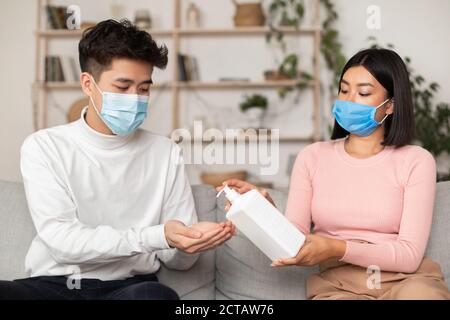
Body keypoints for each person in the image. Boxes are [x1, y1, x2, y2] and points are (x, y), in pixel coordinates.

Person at [0, 19, 235, 300]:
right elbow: (63, 242)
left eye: (144, 88)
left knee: (156, 297)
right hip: (53, 287)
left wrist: (188, 244)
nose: (135, 98)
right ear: (88, 84)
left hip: (129, 288)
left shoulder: (165, 152)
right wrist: (158, 235)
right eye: (122, 87)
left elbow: (176, 259)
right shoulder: (44, 146)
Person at [218, 48, 450, 300]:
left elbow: (408, 255)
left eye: (363, 93)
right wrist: (263, 210)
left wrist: (336, 247)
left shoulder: (416, 161)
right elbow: (295, 241)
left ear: (391, 105)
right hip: (338, 285)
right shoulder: (312, 157)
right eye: (344, 90)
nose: (349, 100)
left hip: (407, 282)